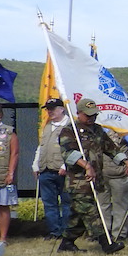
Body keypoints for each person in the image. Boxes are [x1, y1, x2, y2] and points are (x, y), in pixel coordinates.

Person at [57, 98, 128, 254]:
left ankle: (66, 243)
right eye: (88, 115)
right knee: (92, 212)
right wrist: (87, 166)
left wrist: (125, 162)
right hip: (79, 182)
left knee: (77, 217)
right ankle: (107, 243)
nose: (91, 118)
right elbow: (68, 154)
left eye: (94, 115)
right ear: (78, 114)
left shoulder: (98, 130)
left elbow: (111, 148)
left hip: (95, 180)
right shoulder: (69, 131)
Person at [33, 97, 72, 239]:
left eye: (53, 109)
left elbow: (74, 148)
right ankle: (54, 231)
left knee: (66, 202)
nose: (50, 112)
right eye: (48, 109)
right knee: (49, 203)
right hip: (45, 169)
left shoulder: (70, 125)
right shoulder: (48, 126)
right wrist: (36, 164)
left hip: (62, 171)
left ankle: (66, 231)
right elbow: (41, 146)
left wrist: (65, 165)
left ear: (61, 109)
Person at [101, 132, 128, 241]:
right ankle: (104, 233)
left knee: (120, 206)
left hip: (120, 173)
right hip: (100, 174)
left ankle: (119, 234)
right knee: (102, 205)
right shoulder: (97, 126)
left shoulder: (124, 126)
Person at [0, 103, 19, 244]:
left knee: (3, 206)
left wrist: (11, 173)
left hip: (3, 174)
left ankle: (3, 238)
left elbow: (14, 154)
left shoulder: (9, 132)